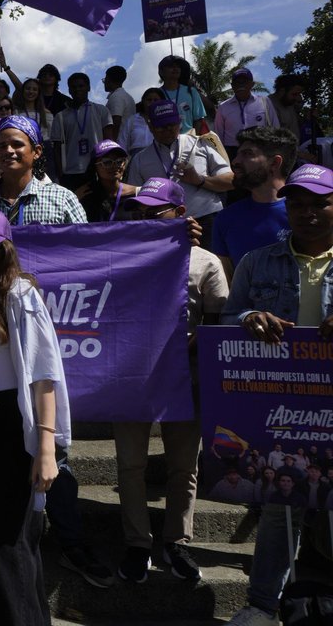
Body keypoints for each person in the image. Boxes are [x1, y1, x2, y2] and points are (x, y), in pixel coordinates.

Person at [221, 163, 333, 626]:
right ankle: (263, 606)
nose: (307, 212)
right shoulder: (256, 261)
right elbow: (226, 321)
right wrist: (247, 317)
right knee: (276, 508)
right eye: (298, 203)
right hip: (280, 405)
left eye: (319, 203)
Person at [0, 206, 69, 625]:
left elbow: (44, 375)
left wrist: (44, 445)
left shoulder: (20, 294)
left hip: (12, 423)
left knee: (6, 541)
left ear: (5, 248)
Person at [114, 178, 228, 584]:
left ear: (181, 215)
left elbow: (217, 324)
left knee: (183, 466)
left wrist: (195, 345)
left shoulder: (207, 263)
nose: (145, 220)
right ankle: (137, 543)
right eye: (139, 213)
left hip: (187, 378)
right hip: (131, 377)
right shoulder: (121, 256)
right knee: (130, 464)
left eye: (154, 213)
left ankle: (176, 541)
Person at [125, 101, 233, 247]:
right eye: (161, 126)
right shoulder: (140, 159)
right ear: (150, 126)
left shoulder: (200, 144)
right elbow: (135, 198)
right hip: (165, 228)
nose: (167, 130)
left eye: (171, 124)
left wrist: (199, 180)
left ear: (180, 121)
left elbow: (231, 181)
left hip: (207, 220)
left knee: (215, 266)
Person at [0, 116, 86, 225]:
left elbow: (84, 247)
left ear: (36, 152)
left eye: (17, 144)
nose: (9, 150)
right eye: (2, 146)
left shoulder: (62, 199)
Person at [211, 126, 296, 276]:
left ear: (275, 163)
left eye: (247, 154)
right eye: (237, 154)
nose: (235, 161)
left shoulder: (306, 215)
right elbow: (227, 283)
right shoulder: (226, 219)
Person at [49, 73, 113, 192]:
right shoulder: (61, 116)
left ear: (88, 87)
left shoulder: (101, 110)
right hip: (70, 172)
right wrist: (60, 174)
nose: (77, 89)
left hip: (97, 170)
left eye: (81, 86)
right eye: (73, 87)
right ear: (69, 90)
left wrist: (108, 167)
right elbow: (57, 149)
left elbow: (109, 142)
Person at [213, 68, 278, 154]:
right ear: (232, 86)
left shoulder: (265, 102)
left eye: (244, 82)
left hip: (258, 150)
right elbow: (218, 134)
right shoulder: (223, 107)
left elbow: (275, 127)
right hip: (231, 152)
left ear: (252, 84)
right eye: (237, 82)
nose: (241, 85)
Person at [74, 141, 132, 223]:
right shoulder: (83, 196)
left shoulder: (135, 194)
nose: (114, 166)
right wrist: (74, 199)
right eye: (107, 162)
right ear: (95, 166)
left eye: (119, 161)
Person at [157, 56, 208, 133]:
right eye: (171, 66)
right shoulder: (156, 95)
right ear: (161, 72)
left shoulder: (191, 91)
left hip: (189, 141)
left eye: (178, 67)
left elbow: (199, 119)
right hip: (165, 141)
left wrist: (193, 139)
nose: (175, 69)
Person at [117, 88, 166, 156]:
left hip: (160, 159)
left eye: (156, 100)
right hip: (135, 161)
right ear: (143, 101)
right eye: (149, 100)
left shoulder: (166, 120)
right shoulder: (132, 120)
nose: (152, 102)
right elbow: (122, 143)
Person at [102, 66, 136, 135]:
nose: (104, 82)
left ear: (109, 80)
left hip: (119, 142)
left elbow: (115, 121)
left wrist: (112, 142)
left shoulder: (116, 97)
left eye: (105, 79)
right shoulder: (126, 96)